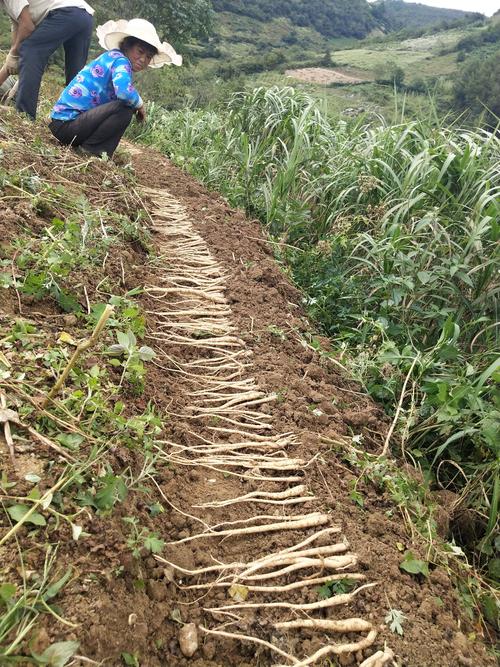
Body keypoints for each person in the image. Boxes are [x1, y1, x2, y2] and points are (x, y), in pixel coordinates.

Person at [48, 19, 181, 158]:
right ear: (127, 46)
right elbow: (124, 92)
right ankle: (92, 151)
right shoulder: (121, 61)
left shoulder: (112, 57)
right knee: (124, 109)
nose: (142, 59)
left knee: (124, 106)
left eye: (148, 57)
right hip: (66, 127)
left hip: (64, 125)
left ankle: (91, 147)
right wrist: (140, 105)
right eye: (140, 52)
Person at [0, 0, 94, 119]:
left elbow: (27, 27)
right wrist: (12, 55)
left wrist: (15, 52)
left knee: (30, 50)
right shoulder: (10, 6)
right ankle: (78, 119)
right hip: (84, 16)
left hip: (66, 13)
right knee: (75, 76)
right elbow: (18, 27)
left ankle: (24, 113)